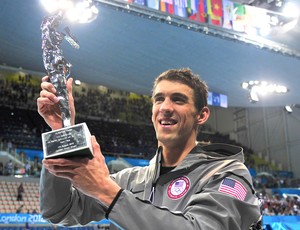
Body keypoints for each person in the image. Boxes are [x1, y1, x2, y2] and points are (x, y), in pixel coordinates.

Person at [37, 68, 261, 229]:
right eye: (159, 99)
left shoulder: (228, 175)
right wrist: (62, 131)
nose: (165, 107)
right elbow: (59, 211)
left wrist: (106, 191)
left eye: (178, 100)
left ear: (201, 115)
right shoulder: (132, 181)